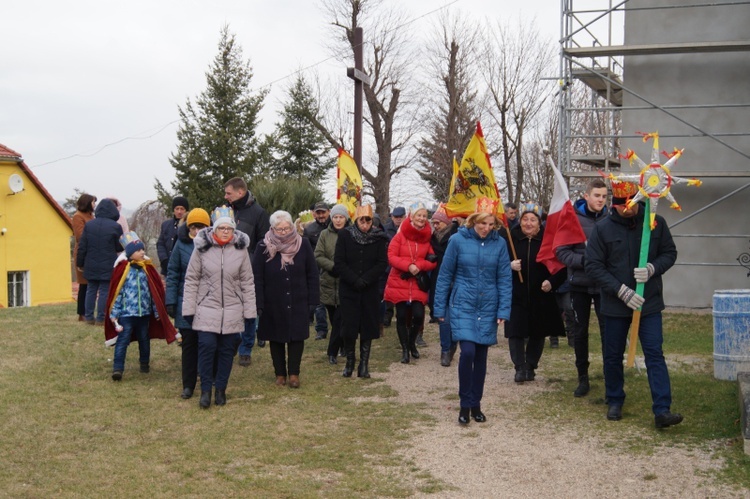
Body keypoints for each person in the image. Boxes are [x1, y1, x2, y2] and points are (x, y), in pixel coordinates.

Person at [585, 180, 682, 428]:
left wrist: (653, 268)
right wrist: (620, 290)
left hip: (648, 302)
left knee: (654, 353)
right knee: (613, 354)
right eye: (622, 206)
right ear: (614, 206)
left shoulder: (655, 223)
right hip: (616, 304)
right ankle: (615, 398)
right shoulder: (603, 229)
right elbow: (593, 265)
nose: (628, 210)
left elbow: (669, 253)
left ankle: (662, 409)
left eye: (632, 205)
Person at [433, 201, 512, 425]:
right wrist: (439, 307)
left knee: (481, 355)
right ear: (473, 220)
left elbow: (504, 279)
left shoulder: (500, 244)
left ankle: (476, 402)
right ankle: (465, 403)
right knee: (467, 351)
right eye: (482, 223)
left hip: (488, 304)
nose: (486, 228)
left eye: (490, 224)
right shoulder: (457, 240)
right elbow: (445, 275)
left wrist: (503, 309)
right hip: (463, 303)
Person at [182, 207, 256, 409]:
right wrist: (188, 309)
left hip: (232, 308)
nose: (225, 231)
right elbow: (191, 279)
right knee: (206, 348)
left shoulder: (241, 251)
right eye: (221, 228)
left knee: (226, 351)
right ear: (214, 229)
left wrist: (250, 312)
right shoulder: (202, 248)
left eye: (228, 228)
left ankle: (221, 389)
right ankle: (206, 390)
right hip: (207, 306)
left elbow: (247, 282)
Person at [253, 211, 319, 388]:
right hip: (272, 300)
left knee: (297, 337)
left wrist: (313, 299)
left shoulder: (303, 244)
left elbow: (312, 273)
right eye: (279, 229)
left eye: (286, 228)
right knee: (276, 337)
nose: (283, 232)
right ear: (272, 228)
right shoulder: (263, 246)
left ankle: (294, 374)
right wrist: (258, 303)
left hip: (298, 298)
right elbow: (257, 277)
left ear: (292, 226)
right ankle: (280, 373)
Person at [555, 178, 609, 397]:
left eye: (604, 196)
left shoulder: (610, 218)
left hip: (605, 286)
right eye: (597, 196)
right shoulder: (572, 219)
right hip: (580, 285)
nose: (600, 200)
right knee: (580, 332)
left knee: (609, 333)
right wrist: (584, 261)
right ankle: (582, 378)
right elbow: (561, 251)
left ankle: (611, 376)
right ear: (586, 196)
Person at [505, 202, 566, 383]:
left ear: (540, 223)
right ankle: (519, 366)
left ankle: (531, 366)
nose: (529, 223)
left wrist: (551, 282)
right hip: (516, 293)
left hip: (541, 294)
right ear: (520, 221)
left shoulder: (548, 240)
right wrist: (509, 266)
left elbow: (561, 268)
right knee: (515, 331)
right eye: (525, 219)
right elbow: (497, 263)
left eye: (533, 220)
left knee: (537, 332)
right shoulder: (511, 239)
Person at [104, 232, 177, 381]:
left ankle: (145, 364)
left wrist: (157, 311)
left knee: (144, 339)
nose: (142, 252)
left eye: (143, 249)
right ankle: (118, 368)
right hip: (126, 314)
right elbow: (118, 293)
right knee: (122, 340)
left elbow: (153, 293)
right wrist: (114, 313)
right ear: (130, 254)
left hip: (143, 314)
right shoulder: (123, 270)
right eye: (138, 250)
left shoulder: (146, 270)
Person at [334, 204, 388, 378]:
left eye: (368, 220)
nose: (364, 224)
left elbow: (381, 263)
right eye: (361, 220)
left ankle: (364, 364)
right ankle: (350, 361)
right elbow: (339, 262)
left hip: (369, 289)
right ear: (356, 220)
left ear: (372, 221)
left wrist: (366, 279)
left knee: (367, 326)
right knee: (349, 326)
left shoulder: (379, 238)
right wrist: (354, 279)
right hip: (349, 288)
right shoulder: (345, 235)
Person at [224, 177, 271, 362]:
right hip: (226, 269)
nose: (225, 196)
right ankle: (233, 341)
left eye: (228, 193)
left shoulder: (258, 213)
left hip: (248, 270)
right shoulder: (225, 211)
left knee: (248, 310)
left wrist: (253, 261)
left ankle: (246, 349)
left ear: (240, 192)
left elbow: (264, 243)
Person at [384, 202, 437, 364]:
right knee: (400, 317)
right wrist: (407, 266)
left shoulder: (427, 239)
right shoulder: (400, 236)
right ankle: (405, 349)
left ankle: (412, 342)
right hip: (400, 281)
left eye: (424, 216)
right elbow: (391, 256)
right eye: (418, 215)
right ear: (411, 217)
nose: (421, 218)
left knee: (419, 315)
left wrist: (418, 266)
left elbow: (433, 261)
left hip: (417, 283)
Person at [165, 208, 210, 399]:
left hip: (209, 301)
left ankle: (208, 378)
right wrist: (171, 300)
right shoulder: (181, 245)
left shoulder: (213, 244)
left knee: (207, 343)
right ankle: (188, 384)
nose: (197, 230)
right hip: (187, 300)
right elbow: (173, 273)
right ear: (188, 227)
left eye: (201, 226)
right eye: (194, 226)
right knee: (189, 344)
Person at [76, 198, 123, 325]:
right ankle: (101, 318)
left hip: (90, 262)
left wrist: (80, 263)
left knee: (91, 289)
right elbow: (119, 247)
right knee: (104, 290)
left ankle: (89, 317)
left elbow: (82, 246)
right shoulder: (115, 226)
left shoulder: (89, 225)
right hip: (108, 263)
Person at [314, 204, 349, 365]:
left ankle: (332, 351)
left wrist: (343, 269)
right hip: (328, 282)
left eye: (341, 217)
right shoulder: (324, 234)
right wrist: (332, 267)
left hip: (345, 282)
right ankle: (341, 344)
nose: (338, 220)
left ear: (346, 218)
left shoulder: (351, 234)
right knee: (334, 319)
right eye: (335, 217)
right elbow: (318, 255)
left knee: (341, 319)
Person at [429, 208, 459, 366]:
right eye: (433, 222)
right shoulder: (432, 238)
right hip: (438, 279)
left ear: (446, 222)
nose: (435, 225)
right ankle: (445, 349)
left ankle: (452, 344)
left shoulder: (456, 236)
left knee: (454, 317)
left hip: (456, 279)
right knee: (443, 317)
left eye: (438, 222)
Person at [304, 201, 331, 341]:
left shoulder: (337, 225)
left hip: (334, 267)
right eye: (318, 212)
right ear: (314, 213)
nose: (321, 215)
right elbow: (307, 251)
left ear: (329, 212)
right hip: (317, 268)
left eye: (323, 212)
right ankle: (321, 329)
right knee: (319, 302)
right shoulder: (309, 229)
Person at [72, 193, 97, 321]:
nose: (94, 205)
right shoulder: (78, 216)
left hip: (92, 253)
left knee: (90, 284)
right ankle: (82, 313)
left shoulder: (91, 217)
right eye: (93, 202)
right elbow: (80, 236)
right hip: (83, 253)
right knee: (84, 284)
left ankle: (88, 311)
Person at [381, 206, 406, 328]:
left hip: (404, 265)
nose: (398, 219)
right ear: (392, 217)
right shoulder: (386, 229)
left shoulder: (408, 229)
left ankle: (402, 316)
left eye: (400, 217)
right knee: (388, 292)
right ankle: (387, 316)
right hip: (388, 265)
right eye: (396, 217)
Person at [157, 196, 189, 276]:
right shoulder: (166, 225)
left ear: (186, 210)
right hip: (167, 268)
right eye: (177, 209)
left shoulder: (190, 226)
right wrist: (164, 259)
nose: (179, 212)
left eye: (182, 209)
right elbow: (160, 243)